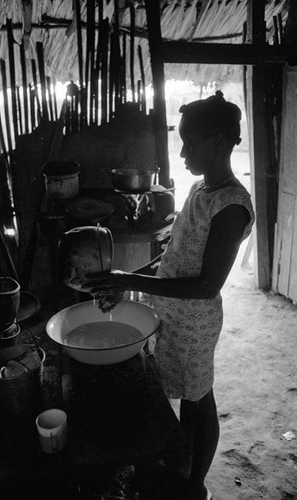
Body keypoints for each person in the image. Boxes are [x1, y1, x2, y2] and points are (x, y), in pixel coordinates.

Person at [81, 90, 255, 500]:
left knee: (199, 401)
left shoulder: (231, 205)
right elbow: (171, 258)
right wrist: (128, 279)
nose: (182, 152)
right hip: (170, 314)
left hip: (195, 321)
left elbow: (207, 285)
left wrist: (133, 280)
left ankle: (194, 485)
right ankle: (181, 466)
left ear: (217, 141)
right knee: (179, 398)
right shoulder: (199, 189)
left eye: (190, 142)